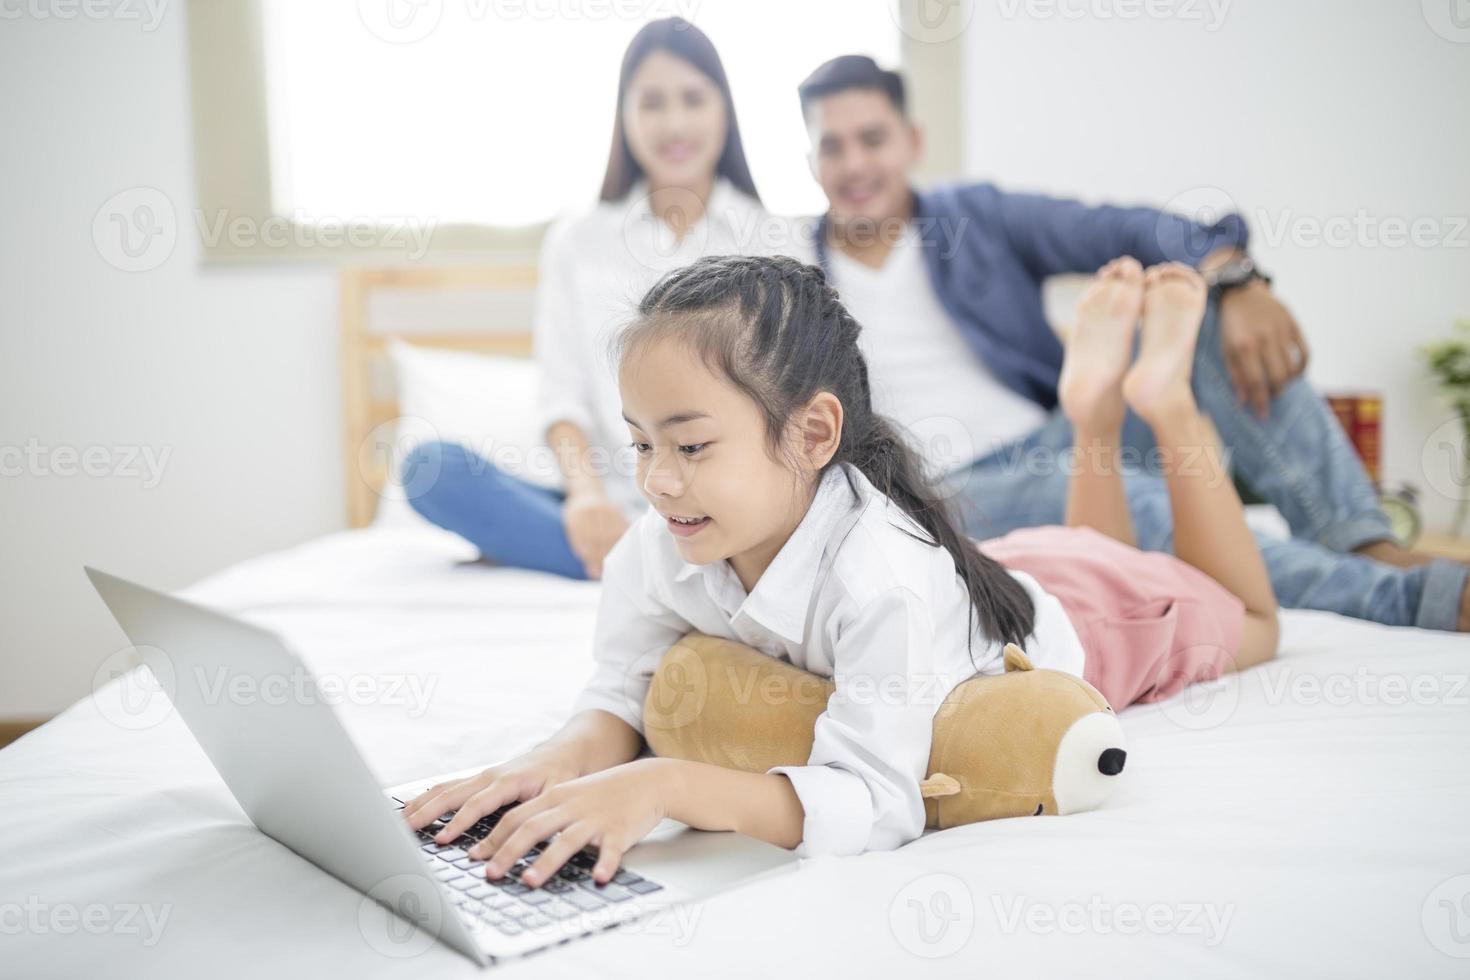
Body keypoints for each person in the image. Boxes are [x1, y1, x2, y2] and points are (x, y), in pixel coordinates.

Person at [401, 254, 1276, 877]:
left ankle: (1163, 401)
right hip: (983, 577)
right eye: (638, 443)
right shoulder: (662, 545)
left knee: (1255, 622)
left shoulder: (882, 577)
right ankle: (1090, 409)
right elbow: (620, 691)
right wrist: (550, 761)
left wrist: (664, 784)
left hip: (1091, 620)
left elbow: (876, 803)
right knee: (1092, 547)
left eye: (693, 445)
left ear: (812, 434)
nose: (658, 482)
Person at [792, 54, 1468, 632]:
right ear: (811, 159)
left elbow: (1127, 227)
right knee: (1124, 491)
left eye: (871, 139)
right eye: (832, 145)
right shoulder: (793, 278)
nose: (853, 164)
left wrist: (1234, 279)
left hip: (1061, 427)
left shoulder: (975, 216)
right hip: (949, 487)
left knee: (1205, 323)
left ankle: (1362, 539)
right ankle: (1403, 597)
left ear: (911, 141)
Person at [402, 18, 775, 580]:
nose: (674, 122)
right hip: (605, 505)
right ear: (625, 116)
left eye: (693, 99)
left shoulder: (774, 243)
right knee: (431, 469)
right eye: (652, 102)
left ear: (724, 109)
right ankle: (635, 559)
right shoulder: (578, 241)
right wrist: (585, 498)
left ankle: (638, 560)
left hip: (725, 506)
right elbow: (563, 396)